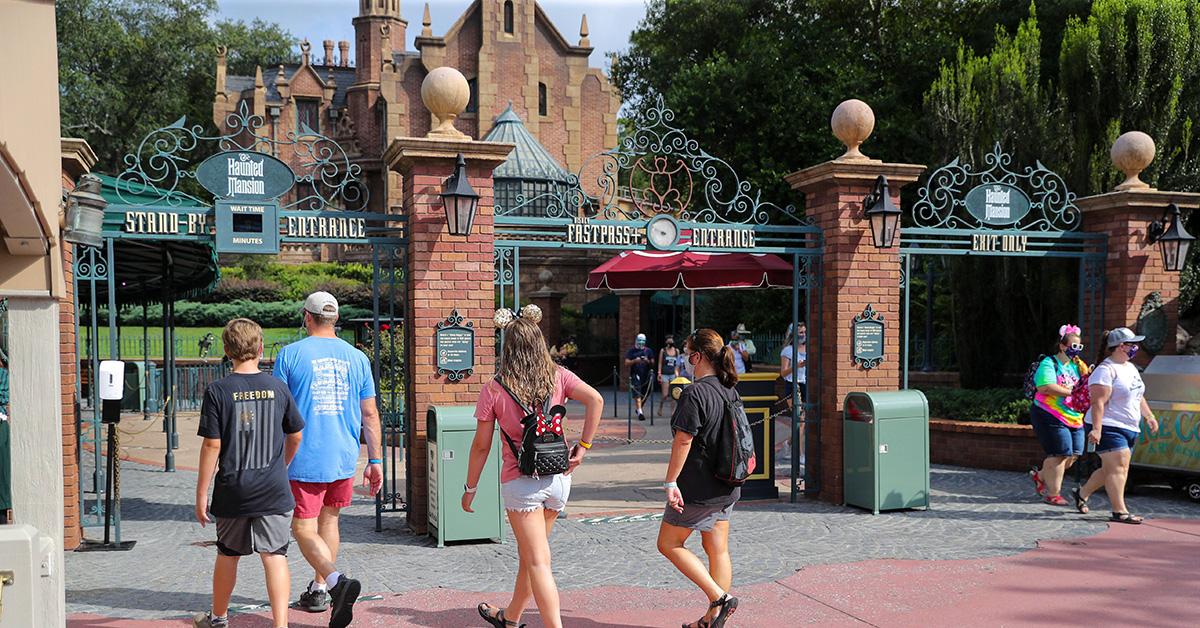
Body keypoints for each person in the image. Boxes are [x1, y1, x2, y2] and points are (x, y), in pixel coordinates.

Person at [466, 305, 604, 628]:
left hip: (521, 484)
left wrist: (470, 488)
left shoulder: (495, 388)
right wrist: (582, 448)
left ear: (507, 348)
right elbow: (596, 399)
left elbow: (481, 446)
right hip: (558, 478)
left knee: (539, 562)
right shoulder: (559, 376)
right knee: (532, 556)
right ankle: (511, 616)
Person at [273, 292, 381, 628]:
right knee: (330, 522)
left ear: (306, 316)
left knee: (302, 527)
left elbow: (277, 411)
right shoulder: (357, 358)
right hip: (343, 453)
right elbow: (370, 413)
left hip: (305, 452)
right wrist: (375, 459)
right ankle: (319, 589)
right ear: (335, 320)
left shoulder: (290, 355)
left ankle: (335, 582)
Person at [193, 319, 305, 628]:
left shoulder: (217, 391)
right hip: (273, 487)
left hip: (233, 488)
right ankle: (280, 625)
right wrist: (281, 465)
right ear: (260, 348)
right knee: (276, 555)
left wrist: (202, 493)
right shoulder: (278, 388)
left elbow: (212, 446)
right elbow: (295, 434)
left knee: (228, 554)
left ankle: (218, 618)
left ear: (227, 350)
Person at [658, 329, 742, 628]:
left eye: (687, 350)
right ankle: (712, 618)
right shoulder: (728, 387)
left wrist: (670, 482)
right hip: (727, 482)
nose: (685, 355)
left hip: (699, 486)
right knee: (717, 547)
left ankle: (719, 599)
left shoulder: (695, 392)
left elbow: (683, 441)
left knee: (668, 543)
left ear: (698, 356)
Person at [1073, 327, 1159, 524]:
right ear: (1121, 346)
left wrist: (1149, 416)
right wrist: (1096, 429)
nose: (1136, 347)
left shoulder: (1130, 367)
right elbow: (1098, 403)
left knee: (1111, 469)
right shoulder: (1105, 370)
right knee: (1119, 468)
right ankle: (1119, 511)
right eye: (1133, 344)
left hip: (1129, 426)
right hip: (1109, 426)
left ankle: (1081, 494)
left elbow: (1138, 395)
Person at [1028, 324, 1090, 506]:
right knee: (1060, 453)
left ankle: (1040, 476)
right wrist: (1072, 392)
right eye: (1073, 346)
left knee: (1073, 454)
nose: (1076, 350)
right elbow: (1044, 387)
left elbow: (1087, 384)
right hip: (1049, 413)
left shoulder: (1078, 366)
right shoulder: (1049, 363)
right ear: (1063, 346)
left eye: (1079, 347)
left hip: (1074, 416)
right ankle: (1053, 494)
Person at [779, 322, 807, 464]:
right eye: (800, 333)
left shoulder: (810, 348)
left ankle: (788, 444)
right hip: (792, 385)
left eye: (804, 332)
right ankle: (801, 454)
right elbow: (783, 373)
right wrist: (797, 366)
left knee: (803, 421)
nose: (803, 335)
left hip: (806, 384)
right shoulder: (788, 350)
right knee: (800, 419)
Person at [625, 332, 655, 420]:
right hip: (635, 374)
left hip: (646, 375)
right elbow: (626, 362)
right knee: (637, 393)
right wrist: (635, 361)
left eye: (643, 341)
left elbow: (653, 362)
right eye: (639, 340)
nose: (641, 342)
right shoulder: (631, 351)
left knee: (645, 393)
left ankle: (639, 408)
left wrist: (647, 361)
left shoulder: (648, 351)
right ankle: (640, 413)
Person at [658, 334, 681, 413]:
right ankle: (661, 406)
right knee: (665, 394)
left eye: (671, 340)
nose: (670, 342)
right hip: (665, 374)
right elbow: (660, 363)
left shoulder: (676, 351)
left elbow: (678, 363)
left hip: (673, 374)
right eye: (669, 340)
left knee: (673, 394)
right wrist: (659, 373)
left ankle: (672, 412)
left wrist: (678, 373)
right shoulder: (663, 350)